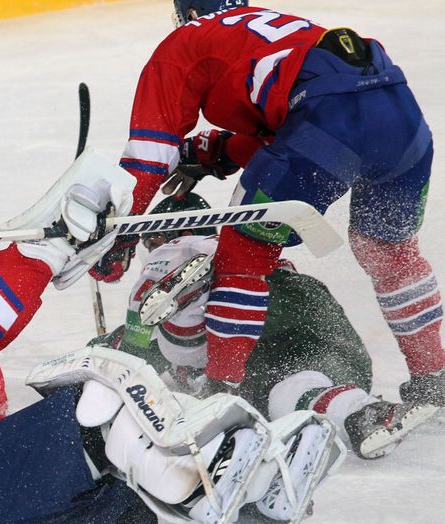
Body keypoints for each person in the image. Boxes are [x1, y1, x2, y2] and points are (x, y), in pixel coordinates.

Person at [0, 167, 344, 524]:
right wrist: (45, 252)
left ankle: (257, 492)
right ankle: (229, 485)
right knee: (96, 403)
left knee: (122, 466)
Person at [90, 0, 444, 406]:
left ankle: (222, 394)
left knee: (242, 253)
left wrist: (118, 235)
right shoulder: (280, 24)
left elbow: (147, 158)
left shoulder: (184, 42)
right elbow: (314, 115)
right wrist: (222, 151)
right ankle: (433, 378)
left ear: (188, 12)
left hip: (328, 117)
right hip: (402, 118)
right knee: (388, 252)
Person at [91, 194, 438, 461]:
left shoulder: (165, 286)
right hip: (315, 327)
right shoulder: (244, 248)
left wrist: (102, 352)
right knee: (291, 390)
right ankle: (366, 414)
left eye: (152, 243)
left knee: (186, 349)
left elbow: (134, 352)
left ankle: (188, 287)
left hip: (250, 311)